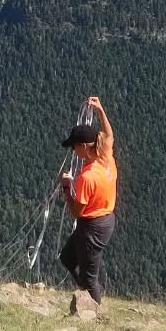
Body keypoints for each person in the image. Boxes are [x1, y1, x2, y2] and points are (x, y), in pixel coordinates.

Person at [58, 95, 117, 305]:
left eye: (74, 147)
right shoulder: (106, 155)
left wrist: (67, 187)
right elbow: (109, 134)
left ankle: (95, 312)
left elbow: (76, 212)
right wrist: (100, 110)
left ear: (83, 146)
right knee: (67, 258)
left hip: (93, 226)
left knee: (89, 277)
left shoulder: (88, 177)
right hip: (104, 219)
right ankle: (85, 298)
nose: (73, 151)